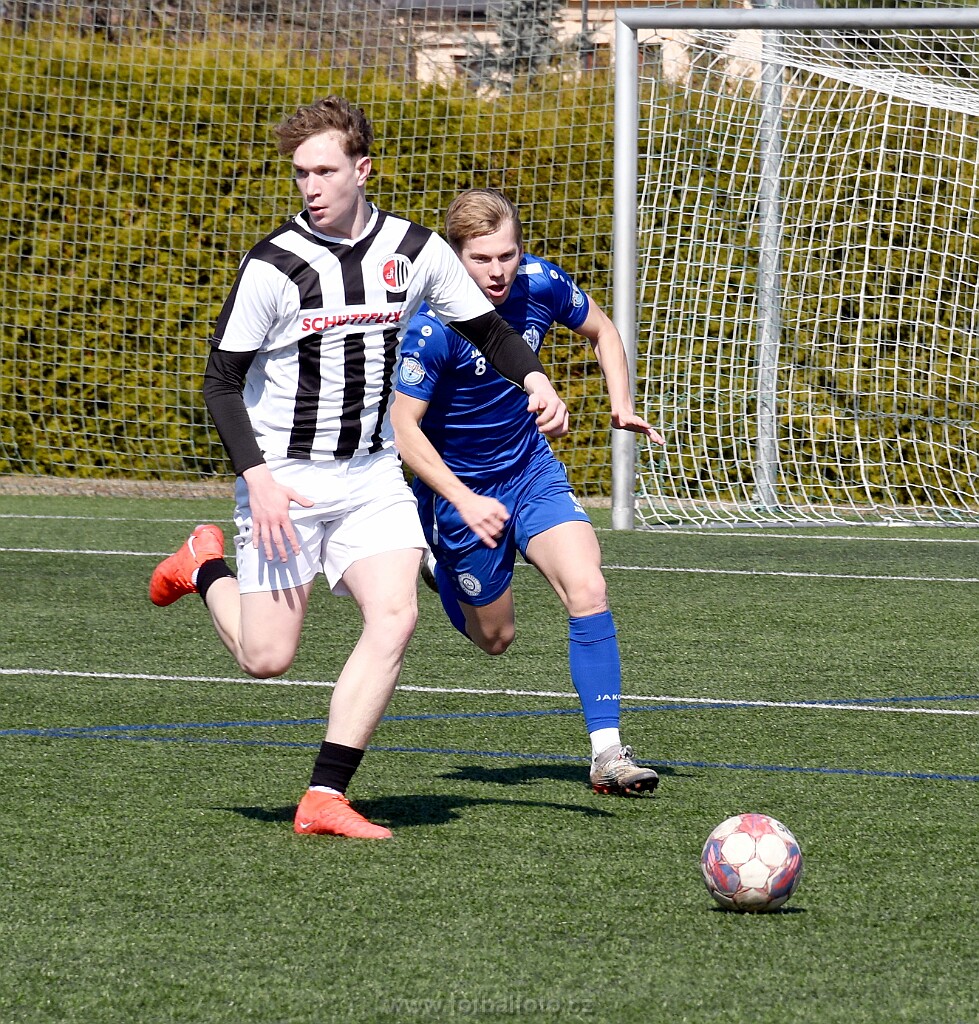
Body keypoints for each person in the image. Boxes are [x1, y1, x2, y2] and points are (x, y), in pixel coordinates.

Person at [148, 99, 569, 840]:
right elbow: (220, 382)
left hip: (372, 475)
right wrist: (257, 479)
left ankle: (325, 795)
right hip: (285, 478)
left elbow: (487, 328)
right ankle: (203, 565)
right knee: (266, 658)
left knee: (396, 614)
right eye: (300, 173)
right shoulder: (273, 265)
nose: (310, 186)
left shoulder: (415, 249)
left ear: (362, 169)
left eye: (324, 170)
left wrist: (534, 378)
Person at [391, 188, 665, 796]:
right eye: (480, 259)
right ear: (454, 257)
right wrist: (461, 499)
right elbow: (404, 431)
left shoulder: (540, 283)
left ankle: (608, 753)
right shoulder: (431, 328)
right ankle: (440, 567)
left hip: (531, 471)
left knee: (588, 587)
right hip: (461, 496)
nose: (497, 271)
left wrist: (621, 404)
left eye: (506, 255)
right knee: (496, 639)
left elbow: (602, 329)